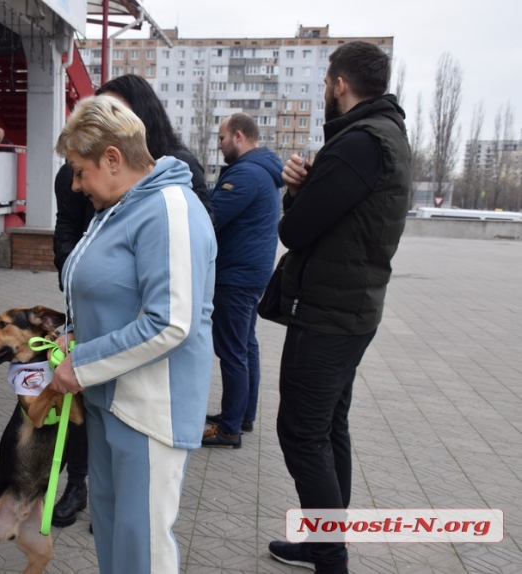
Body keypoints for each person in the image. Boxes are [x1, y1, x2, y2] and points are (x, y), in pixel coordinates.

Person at [49, 95, 216, 574]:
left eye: (80, 171)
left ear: (113, 159)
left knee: (142, 547)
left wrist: (79, 363)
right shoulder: (123, 205)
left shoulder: (168, 208)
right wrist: (77, 338)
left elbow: (170, 322)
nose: (78, 186)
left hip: (149, 409)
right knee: (117, 535)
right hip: (110, 399)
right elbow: (115, 294)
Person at [268, 41, 411, 573]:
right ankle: (325, 542)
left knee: (302, 433)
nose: (326, 91)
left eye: (327, 83)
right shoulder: (385, 134)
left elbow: (295, 229)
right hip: (350, 310)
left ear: (340, 84)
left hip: (329, 315)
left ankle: (330, 559)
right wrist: (308, 188)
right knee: (328, 428)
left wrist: (294, 192)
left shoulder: (358, 143)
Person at [202, 114, 283, 448]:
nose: (219, 146)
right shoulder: (262, 170)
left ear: (238, 136)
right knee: (246, 346)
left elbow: (212, 215)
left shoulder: (247, 174)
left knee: (233, 351)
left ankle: (229, 429)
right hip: (251, 273)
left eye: (221, 139)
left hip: (236, 275)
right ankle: (241, 415)